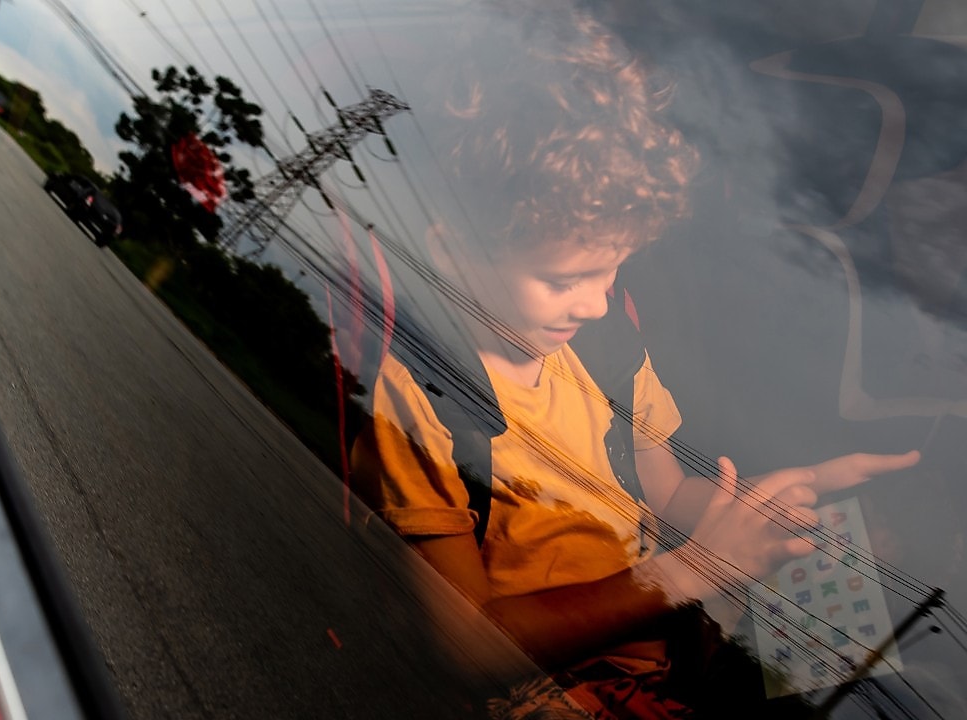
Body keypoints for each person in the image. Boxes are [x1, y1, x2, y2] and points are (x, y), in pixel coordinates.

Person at [349, 2, 920, 716]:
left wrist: (774, 513)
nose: (592, 303)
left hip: (672, 656)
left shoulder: (606, 350)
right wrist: (694, 568)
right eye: (564, 280)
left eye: (611, 272)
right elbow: (465, 645)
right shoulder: (425, 402)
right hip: (548, 688)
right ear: (452, 250)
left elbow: (668, 494)